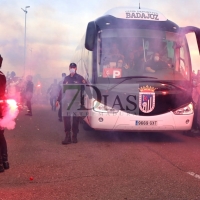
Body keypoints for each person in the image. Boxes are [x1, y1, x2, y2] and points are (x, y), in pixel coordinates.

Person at [56, 63, 90, 145]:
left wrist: (89, 97)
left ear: (76, 68)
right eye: (71, 67)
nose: (72, 69)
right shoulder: (66, 79)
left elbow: (86, 87)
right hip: (67, 102)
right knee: (66, 120)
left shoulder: (80, 78)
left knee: (75, 120)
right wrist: (58, 100)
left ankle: (74, 136)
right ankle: (67, 136)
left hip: (76, 102)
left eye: (73, 67)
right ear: (69, 68)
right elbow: (62, 90)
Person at [0, 55, 9, 172]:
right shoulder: (2, 75)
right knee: (1, 135)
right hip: (2, 108)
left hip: (0, 108)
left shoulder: (1, 76)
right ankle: (4, 161)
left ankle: (1, 163)